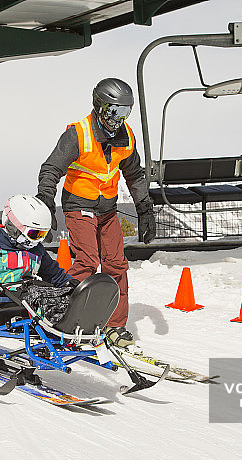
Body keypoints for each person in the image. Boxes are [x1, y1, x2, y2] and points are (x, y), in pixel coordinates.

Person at [35, 77, 156, 349]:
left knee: (116, 265)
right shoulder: (78, 134)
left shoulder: (126, 137)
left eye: (125, 112)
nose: (118, 119)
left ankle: (114, 325)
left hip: (107, 209)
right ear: (99, 106)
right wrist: (45, 200)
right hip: (79, 205)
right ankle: (62, 318)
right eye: (113, 111)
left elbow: (135, 174)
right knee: (88, 260)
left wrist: (145, 209)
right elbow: (51, 168)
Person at [0, 194, 78, 326]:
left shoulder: (36, 248)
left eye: (42, 235)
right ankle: (61, 325)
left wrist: (75, 289)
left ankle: (76, 325)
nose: (38, 240)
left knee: (64, 297)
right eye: (34, 234)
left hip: (27, 296)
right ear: (14, 227)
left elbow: (54, 274)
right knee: (43, 298)